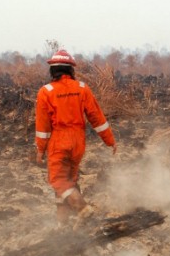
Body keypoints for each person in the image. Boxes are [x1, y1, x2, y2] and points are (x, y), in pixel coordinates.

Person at [35, 49, 117, 224]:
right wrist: (110, 140)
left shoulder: (46, 91)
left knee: (58, 180)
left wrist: (40, 150)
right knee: (68, 182)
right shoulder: (82, 88)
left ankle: (83, 209)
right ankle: (62, 223)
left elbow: (43, 127)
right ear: (71, 70)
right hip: (78, 143)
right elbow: (97, 118)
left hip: (59, 142)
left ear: (53, 70)